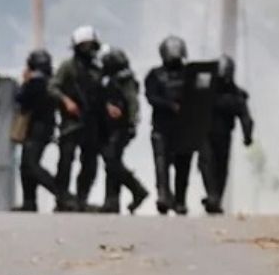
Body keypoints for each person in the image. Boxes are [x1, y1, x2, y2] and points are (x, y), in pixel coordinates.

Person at [50, 26, 103, 211]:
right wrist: (66, 101)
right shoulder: (68, 66)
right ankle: (62, 198)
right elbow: (53, 87)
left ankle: (82, 199)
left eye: (91, 46)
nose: (89, 50)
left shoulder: (97, 69)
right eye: (84, 46)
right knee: (65, 162)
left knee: (90, 164)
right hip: (71, 122)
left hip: (91, 122)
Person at [13, 49, 70, 212]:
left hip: (36, 127)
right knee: (26, 166)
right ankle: (29, 202)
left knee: (30, 165)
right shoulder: (50, 82)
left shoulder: (35, 82)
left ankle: (61, 194)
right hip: (46, 127)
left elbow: (21, 99)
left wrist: (25, 81)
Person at [199, 55, 254, 214]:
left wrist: (247, 134)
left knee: (221, 168)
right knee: (206, 163)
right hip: (205, 134)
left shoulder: (236, 94)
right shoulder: (204, 89)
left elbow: (245, 116)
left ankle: (216, 199)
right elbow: (191, 103)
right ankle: (212, 196)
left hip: (223, 136)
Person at [144, 36, 193, 215]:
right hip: (162, 127)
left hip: (184, 127)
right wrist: (171, 106)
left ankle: (180, 200)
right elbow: (151, 97)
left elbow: (200, 94)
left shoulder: (190, 73)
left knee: (183, 164)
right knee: (161, 162)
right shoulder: (155, 75)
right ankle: (163, 196)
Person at [98, 47, 149, 214]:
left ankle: (137, 190)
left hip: (121, 127)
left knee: (112, 160)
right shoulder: (111, 80)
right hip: (111, 127)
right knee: (111, 162)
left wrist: (132, 122)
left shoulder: (125, 80)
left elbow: (132, 102)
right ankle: (112, 201)